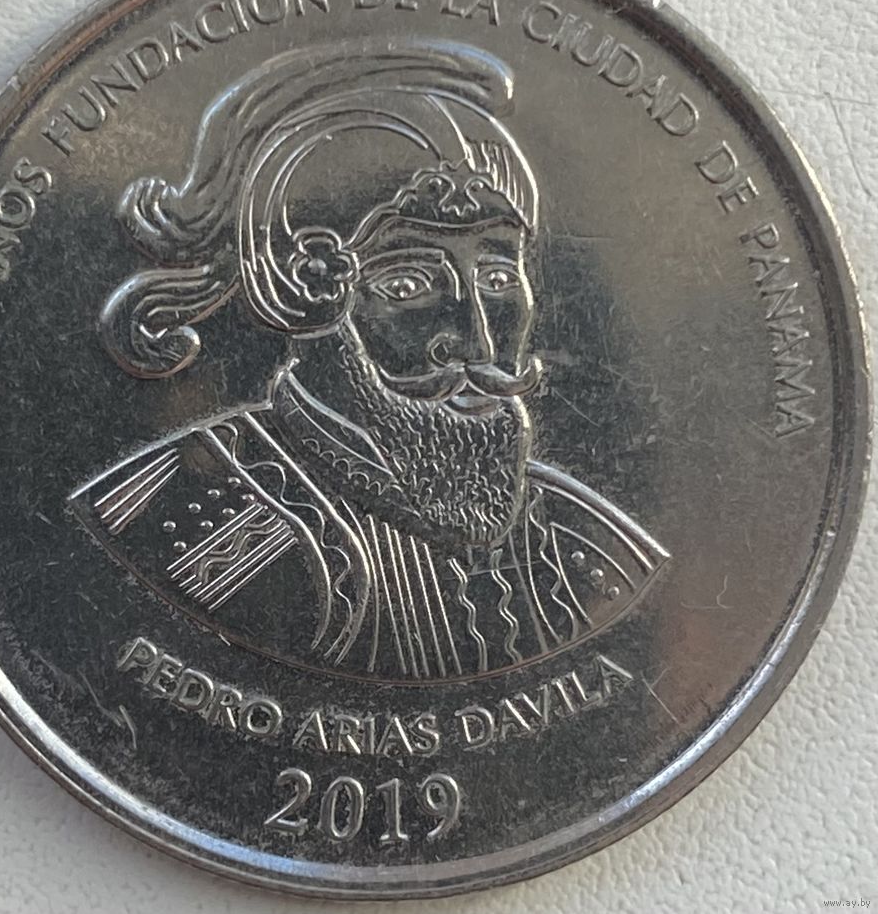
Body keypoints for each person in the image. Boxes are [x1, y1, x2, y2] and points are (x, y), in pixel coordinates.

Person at [70, 40, 668, 681]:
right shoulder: (192, 523)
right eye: (409, 285)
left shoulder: (580, 537)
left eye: (498, 278)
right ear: (307, 294)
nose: (477, 342)